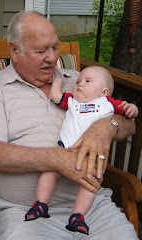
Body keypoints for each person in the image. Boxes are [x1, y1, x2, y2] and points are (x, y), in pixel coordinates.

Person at [0, 11, 139, 240]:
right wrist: (59, 160)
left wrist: (107, 126)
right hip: (24, 212)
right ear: (14, 50)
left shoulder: (79, 81)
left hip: (93, 207)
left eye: (54, 47)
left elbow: (129, 125)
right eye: (41, 51)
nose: (52, 58)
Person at [25, 65, 138, 235]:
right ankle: (41, 204)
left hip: (90, 156)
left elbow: (130, 117)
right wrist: (57, 82)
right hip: (64, 151)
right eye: (78, 81)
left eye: (87, 81)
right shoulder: (72, 101)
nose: (79, 84)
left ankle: (77, 216)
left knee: (90, 183)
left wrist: (132, 109)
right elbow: (56, 96)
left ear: (103, 92)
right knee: (48, 173)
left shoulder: (108, 104)